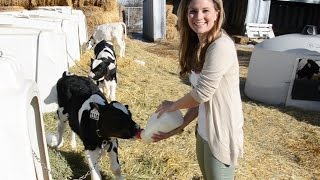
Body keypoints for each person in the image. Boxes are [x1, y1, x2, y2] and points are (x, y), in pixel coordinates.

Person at [152, 0, 244, 179]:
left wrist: (173, 106)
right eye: (193, 11)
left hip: (221, 133)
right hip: (204, 131)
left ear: (217, 13)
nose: (199, 17)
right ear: (186, 15)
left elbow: (202, 93)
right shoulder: (199, 45)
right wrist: (177, 128)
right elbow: (199, 101)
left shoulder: (221, 46)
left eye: (205, 10)